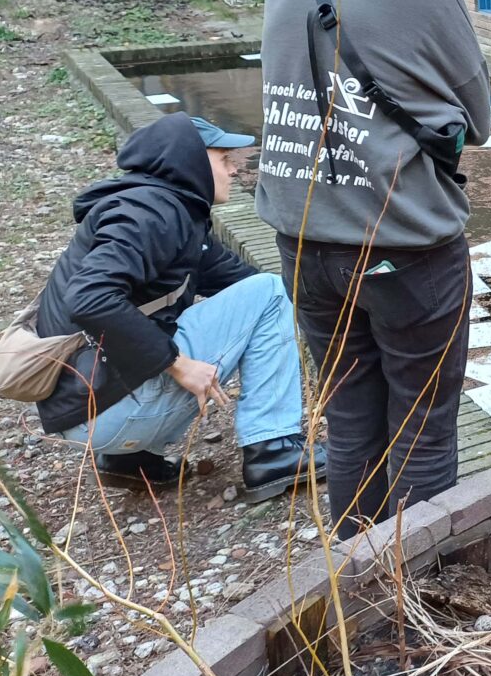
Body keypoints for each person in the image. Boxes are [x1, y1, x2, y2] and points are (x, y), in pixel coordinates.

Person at [256, 0, 491, 538]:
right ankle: (416, 594)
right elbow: (475, 119)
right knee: (422, 421)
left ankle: (356, 576)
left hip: (303, 244)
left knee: (352, 414)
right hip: (405, 250)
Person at [31, 114, 322, 499]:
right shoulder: (148, 215)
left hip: (87, 411)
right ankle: (274, 448)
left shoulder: (172, 213)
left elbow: (244, 284)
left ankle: (129, 460)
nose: (234, 170)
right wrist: (179, 365)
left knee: (265, 291)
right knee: (269, 292)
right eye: (224, 160)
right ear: (191, 161)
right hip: (104, 413)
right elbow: (89, 297)